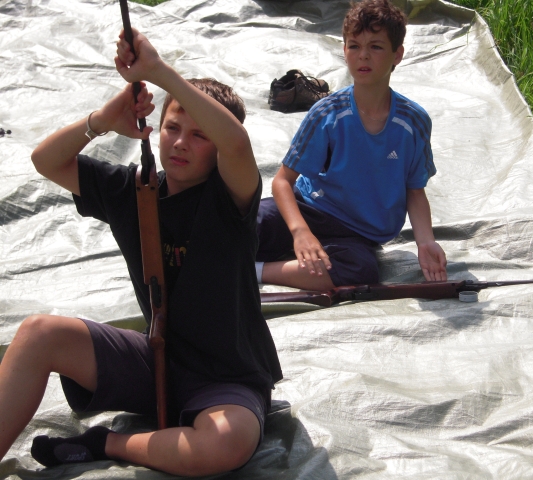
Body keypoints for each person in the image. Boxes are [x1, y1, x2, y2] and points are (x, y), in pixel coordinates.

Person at [0, 28, 281, 476]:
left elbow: (236, 143)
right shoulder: (133, 189)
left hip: (228, 377)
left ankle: (107, 443)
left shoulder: (231, 198)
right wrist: (101, 121)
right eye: (172, 128)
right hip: (155, 360)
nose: (181, 142)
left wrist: (159, 73)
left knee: (226, 442)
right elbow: (46, 161)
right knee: (39, 333)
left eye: (199, 134)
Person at [256, 0, 447, 291]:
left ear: (397, 55)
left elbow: (414, 190)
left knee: (360, 269)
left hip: (356, 235)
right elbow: (282, 181)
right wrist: (300, 231)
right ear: (344, 51)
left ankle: (254, 271)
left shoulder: (413, 122)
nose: (363, 56)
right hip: (308, 208)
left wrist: (426, 242)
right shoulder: (327, 113)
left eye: (376, 47)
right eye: (354, 46)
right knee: (245, 223)